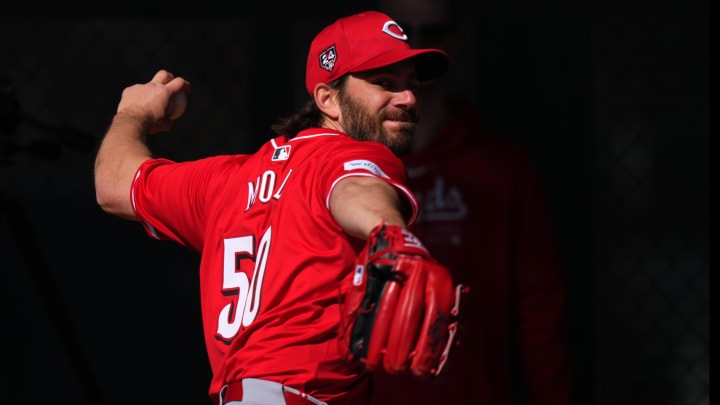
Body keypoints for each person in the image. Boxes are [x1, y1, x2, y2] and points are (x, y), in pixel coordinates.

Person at [94, 11, 457, 405]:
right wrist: (390, 231)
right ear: (328, 99)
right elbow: (354, 187)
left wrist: (133, 114)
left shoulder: (225, 182)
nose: (408, 98)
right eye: (384, 83)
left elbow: (113, 184)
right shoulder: (352, 156)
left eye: (412, 85)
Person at [367, 0, 573, 404]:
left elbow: (540, 309)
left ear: (454, 45)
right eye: (402, 32)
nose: (415, 48)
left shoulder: (500, 167)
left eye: (433, 35)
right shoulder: (335, 168)